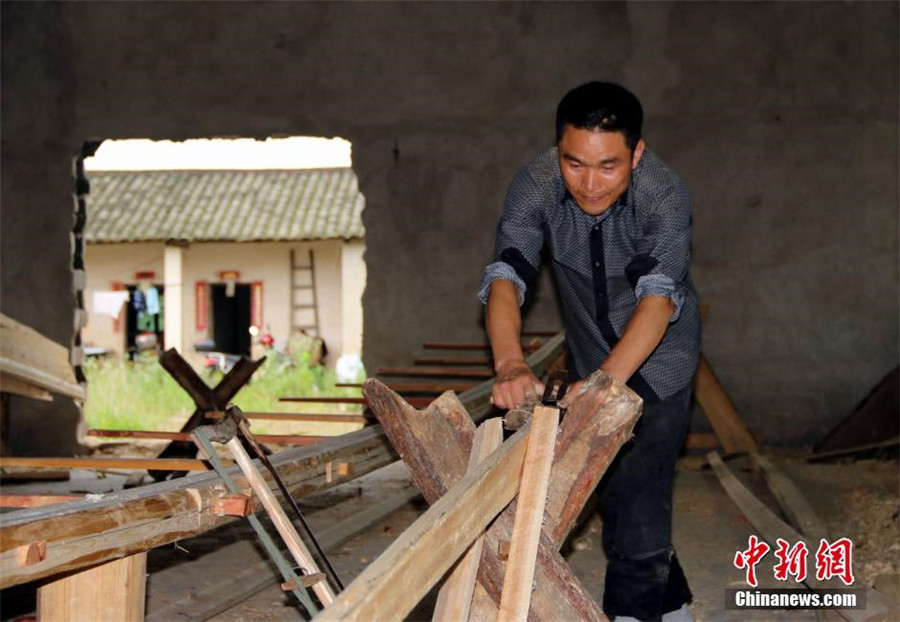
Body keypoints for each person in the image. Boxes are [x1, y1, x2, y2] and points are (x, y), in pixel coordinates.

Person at [479, 81, 700, 622]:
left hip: (660, 356)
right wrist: (509, 363)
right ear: (559, 150)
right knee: (612, 488)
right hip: (588, 350)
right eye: (575, 164)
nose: (590, 184)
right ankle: (674, 608)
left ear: (637, 153)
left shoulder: (664, 196)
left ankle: (631, 612)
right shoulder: (536, 184)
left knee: (638, 487)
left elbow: (656, 301)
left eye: (609, 167)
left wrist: (605, 388)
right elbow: (508, 274)